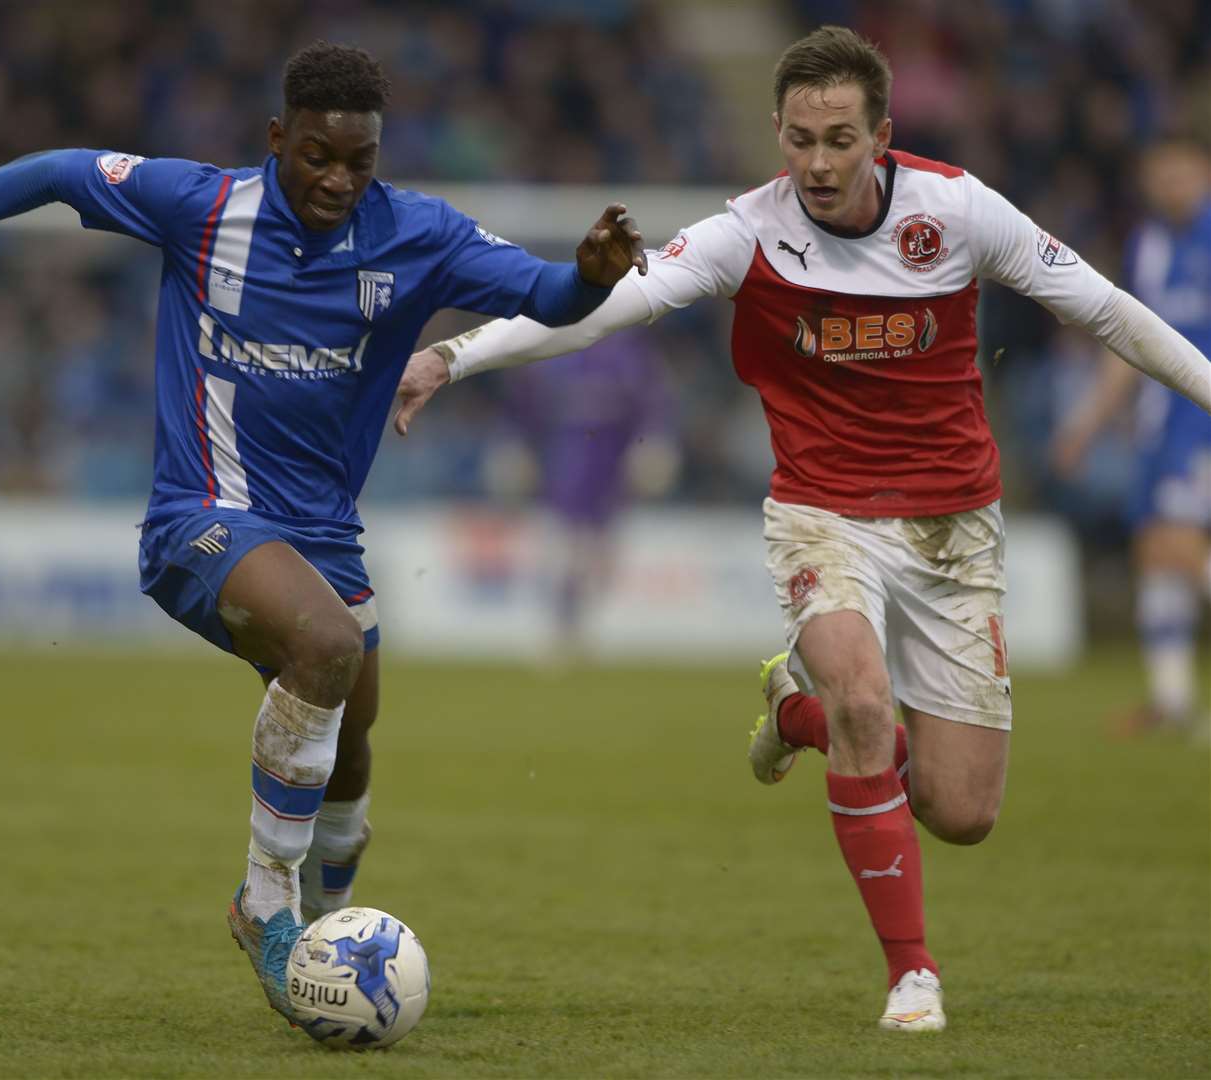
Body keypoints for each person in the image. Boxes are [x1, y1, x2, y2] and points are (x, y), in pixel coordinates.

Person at [394, 26, 1211, 1033]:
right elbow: (602, 309)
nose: (817, 163)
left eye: (838, 139)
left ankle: (794, 715)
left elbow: (1106, 311)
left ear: (882, 136)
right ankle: (910, 973)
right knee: (866, 699)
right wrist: (453, 356)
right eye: (798, 139)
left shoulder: (955, 211)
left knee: (961, 813)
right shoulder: (746, 233)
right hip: (821, 514)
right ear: (776, 134)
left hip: (953, 528)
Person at [0, 41, 646, 1028]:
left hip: (324, 539)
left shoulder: (418, 235)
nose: (337, 180)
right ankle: (262, 901)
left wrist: (593, 275)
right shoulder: (202, 205)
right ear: (278, 139)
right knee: (327, 647)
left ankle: (330, 926)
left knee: (352, 752)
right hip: (199, 519)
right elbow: (56, 171)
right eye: (316, 156)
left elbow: (547, 297)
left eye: (358, 161)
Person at [1052, 134, 1211, 739]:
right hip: (1157, 423)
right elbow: (1128, 342)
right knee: (1155, 556)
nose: (1170, 182)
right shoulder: (1148, 245)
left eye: (1181, 170)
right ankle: (1171, 701)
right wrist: (1086, 425)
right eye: (1159, 172)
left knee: (1176, 545)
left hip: (1200, 419)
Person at [496, 328, 677, 660]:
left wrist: (654, 442)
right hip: (562, 471)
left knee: (597, 554)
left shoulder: (629, 354)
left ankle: (583, 628)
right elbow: (522, 406)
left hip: (610, 474)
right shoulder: (552, 345)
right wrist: (515, 445)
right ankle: (561, 628)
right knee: (563, 550)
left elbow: (653, 405)